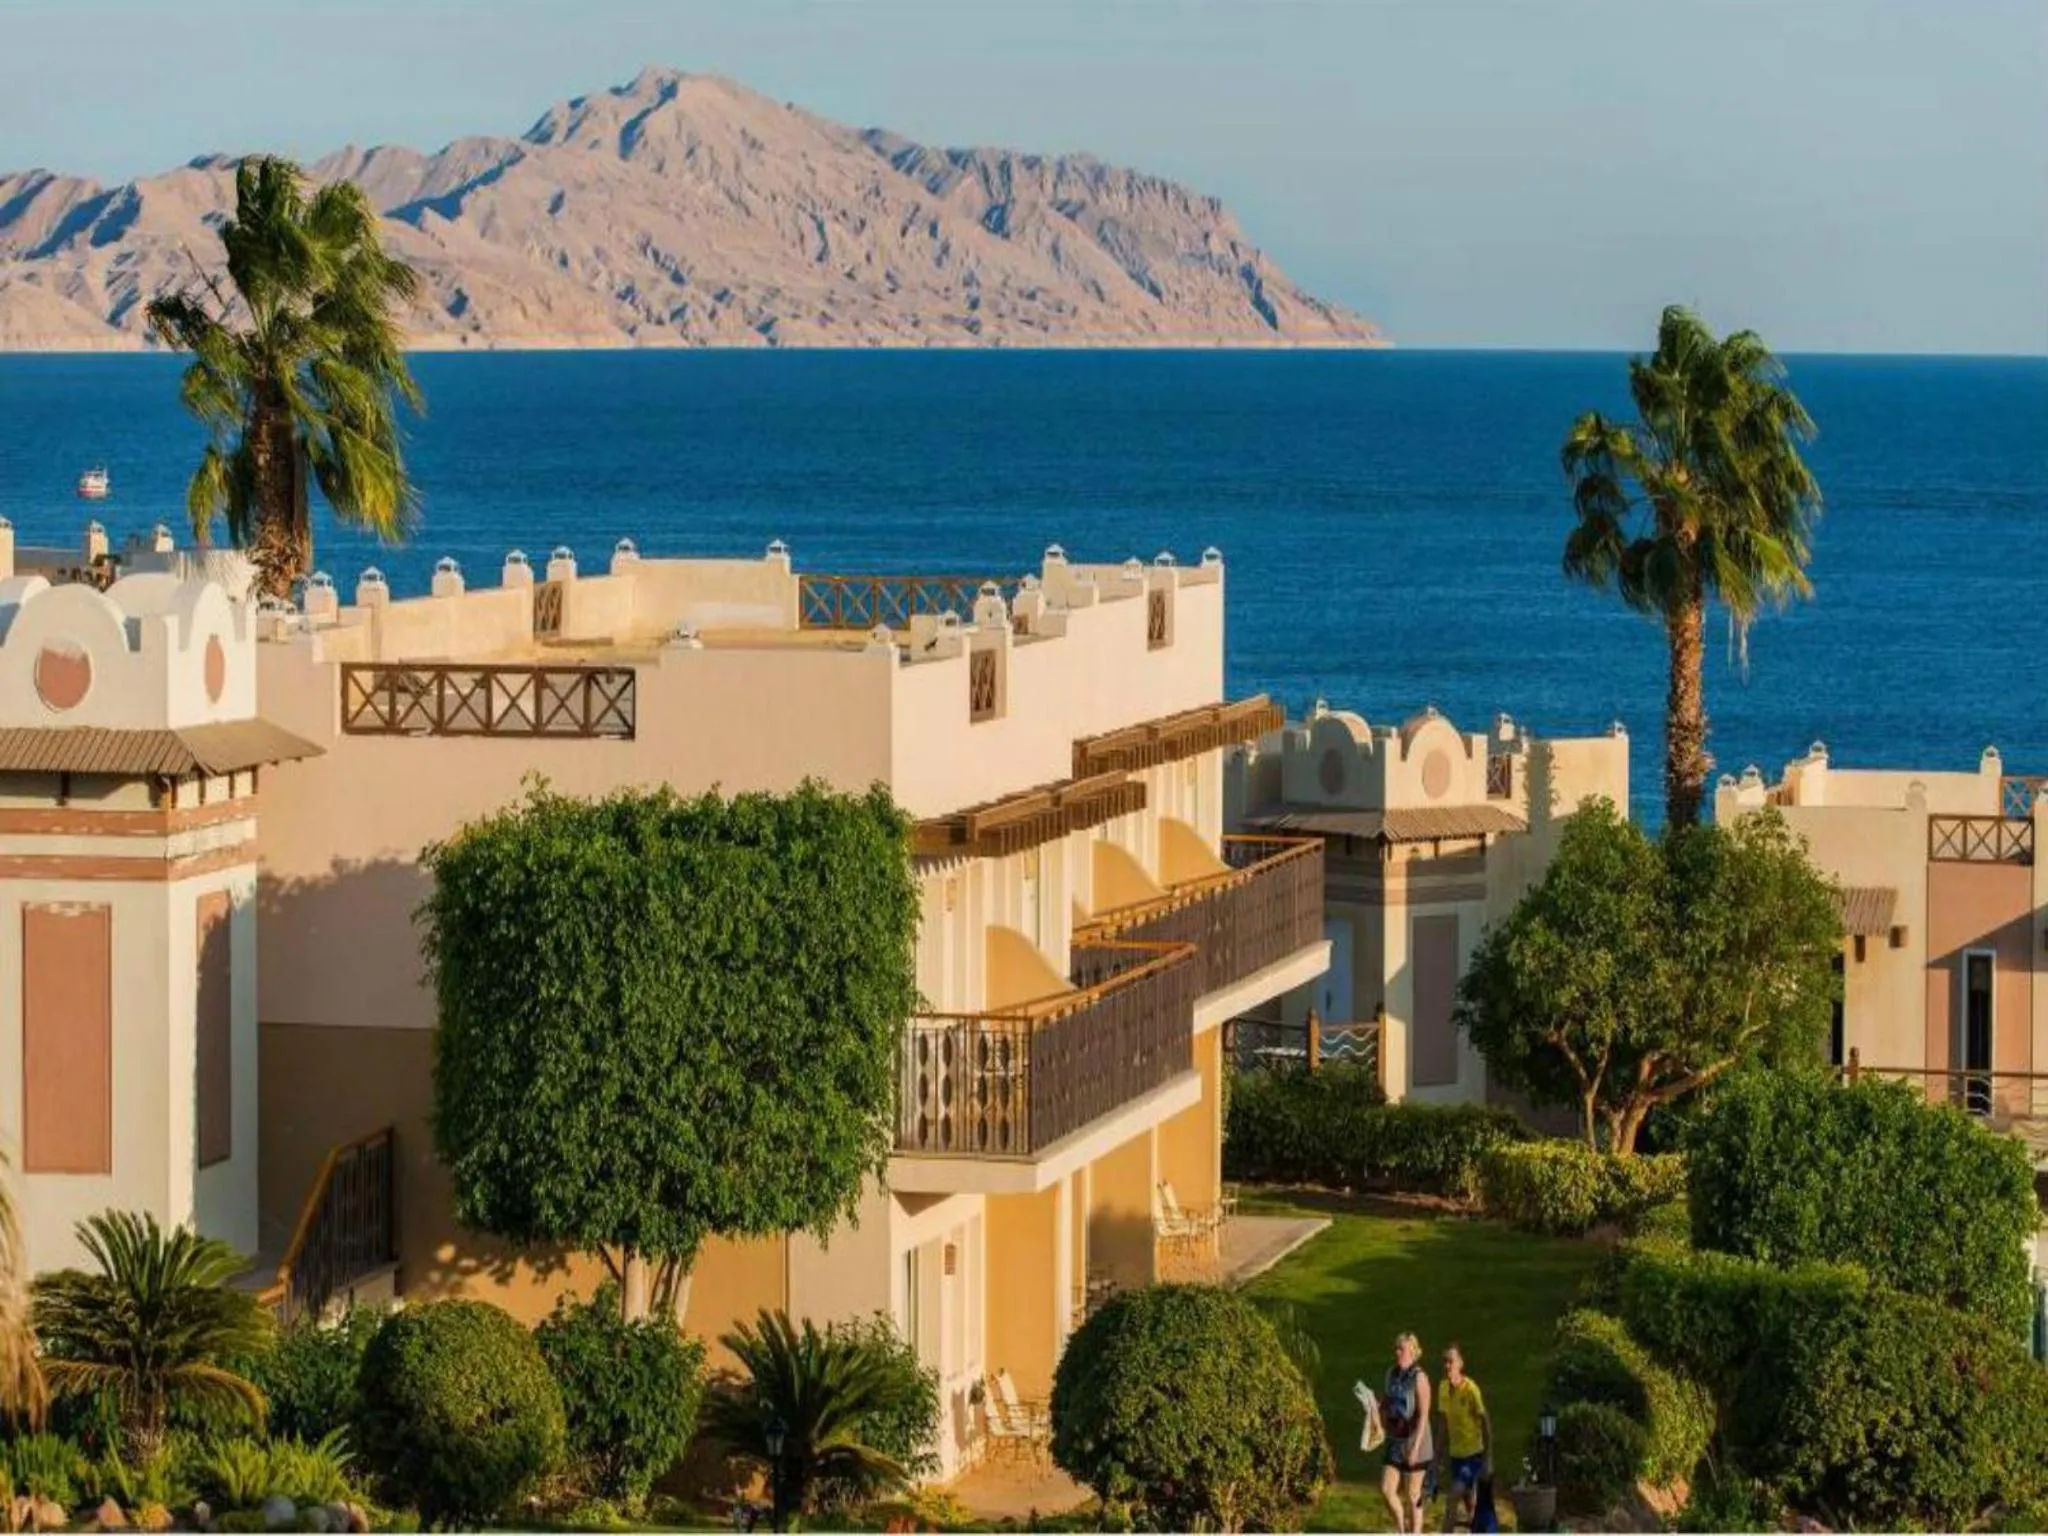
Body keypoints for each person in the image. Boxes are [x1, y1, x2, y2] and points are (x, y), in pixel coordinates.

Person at [1380, 1332, 1434, 1533]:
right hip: (1395, 1439)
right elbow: (1386, 1403)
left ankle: (1416, 1532)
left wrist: (1415, 1449)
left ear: (1412, 1351)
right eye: (1396, 1348)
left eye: (1401, 1349)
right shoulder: (1391, 1374)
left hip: (1415, 1440)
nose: (1397, 1352)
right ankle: (1402, 1528)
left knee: (1413, 1494)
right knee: (1387, 1489)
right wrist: (1373, 1408)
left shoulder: (1419, 1378)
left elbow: (1423, 1416)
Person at [1436, 1342, 1493, 1532]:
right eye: (1444, 1362)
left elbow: (1485, 1422)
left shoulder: (1470, 1389)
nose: (1447, 1366)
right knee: (1471, 1505)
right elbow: (1443, 1425)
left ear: (1460, 1363)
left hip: (1473, 1456)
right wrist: (1437, 1457)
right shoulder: (1443, 1388)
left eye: (1451, 1361)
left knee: (1452, 1498)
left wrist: (1487, 1458)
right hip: (1456, 1456)